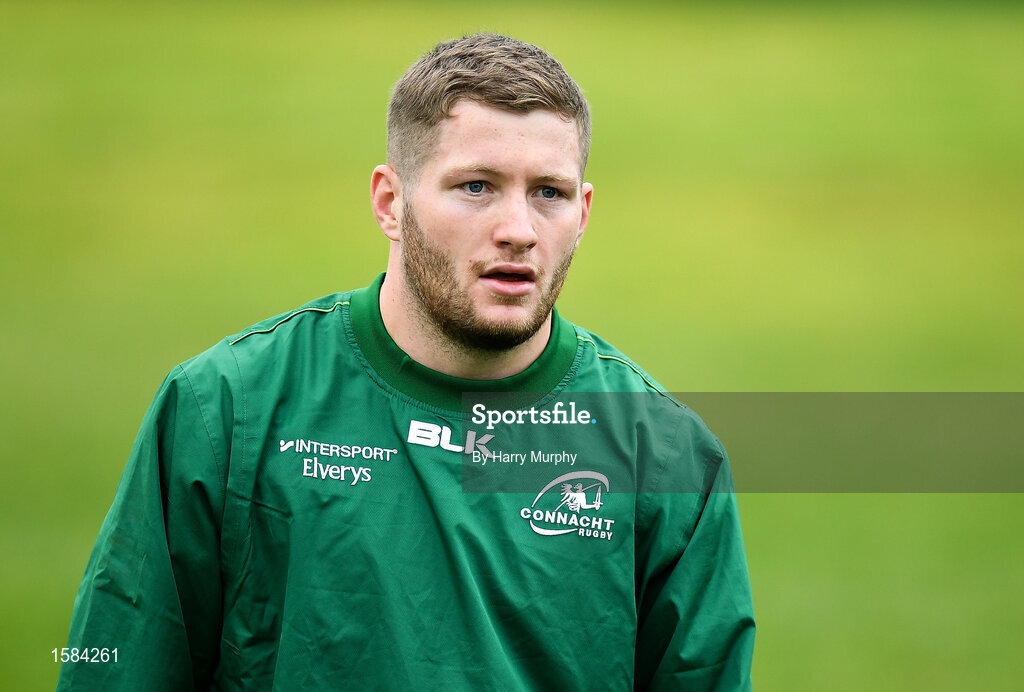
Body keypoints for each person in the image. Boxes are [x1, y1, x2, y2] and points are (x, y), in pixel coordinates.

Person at [57, 34, 755, 691]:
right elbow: (117, 661)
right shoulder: (227, 409)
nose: (517, 230)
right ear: (391, 203)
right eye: (476, 187)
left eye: (549, 192)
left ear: (585, 210)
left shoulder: (664, 458)